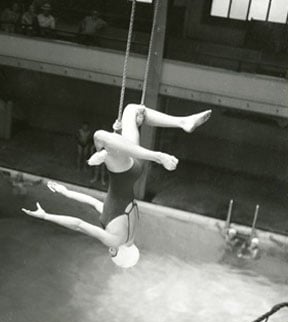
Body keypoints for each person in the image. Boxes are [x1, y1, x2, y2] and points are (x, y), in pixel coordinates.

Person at [23, 104, 211, 268]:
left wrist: (67, 193)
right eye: (112, 253)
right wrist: (46, 216)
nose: (110, 251)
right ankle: (155, 156)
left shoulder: (129, 231)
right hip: (121, 173)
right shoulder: (114, 239)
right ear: (115, 252)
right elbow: (79, 225)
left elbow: (96, 204)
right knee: (99, 137)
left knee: (133, 111)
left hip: (133, 168)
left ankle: (182, 122)